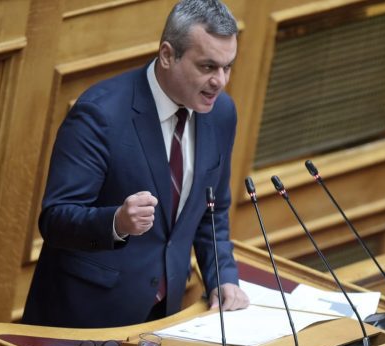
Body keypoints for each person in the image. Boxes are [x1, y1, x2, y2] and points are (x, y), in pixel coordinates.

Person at [22, 0, 250, 328]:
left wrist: (222, 277)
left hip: (163, 315)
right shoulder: (100, 114)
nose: (220, 81)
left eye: (227, 67)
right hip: (84, 319)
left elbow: (212, 211)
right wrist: (116, 222)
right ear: (167, 55)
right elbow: (55, 219)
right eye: (207, 67)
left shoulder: (221, 113)